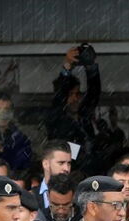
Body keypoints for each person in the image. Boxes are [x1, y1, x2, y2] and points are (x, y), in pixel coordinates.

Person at [45, 46, 101, 174]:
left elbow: (94, 93)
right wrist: (67, 65)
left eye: (77, 94)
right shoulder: (57, 117)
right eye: (71, 95)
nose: (75, 98)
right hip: (67, 177)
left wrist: (90, 66)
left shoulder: (83, 115)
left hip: (90, 177)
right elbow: (60, 95)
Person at [0, 92, 32, 170]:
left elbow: (24, 162)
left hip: (9, 178)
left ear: (11, 112)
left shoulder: (19, 137)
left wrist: (3, 149)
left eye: (6, 109)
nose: (2, 113)